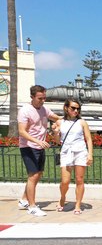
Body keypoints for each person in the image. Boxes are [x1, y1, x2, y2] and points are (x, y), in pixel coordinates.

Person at [17, 85, 62, 216]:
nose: (42, 101)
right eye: (40, 98)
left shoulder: (44, 109)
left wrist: (61, 122)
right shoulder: (25, 111)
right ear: (32, 97)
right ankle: (32, 207)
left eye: (44, 98)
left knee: (39, 174)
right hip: (28, 146)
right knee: (33, 175)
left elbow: (57, 118)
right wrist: (37, 141)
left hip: (40, 146)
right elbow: (21, 131)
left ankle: (23, 200)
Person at [53, 99, 93, 215]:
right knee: (65, 181)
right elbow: (57, 141)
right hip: (66, 152)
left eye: (78, 108)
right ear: (66, 108)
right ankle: (62, 197)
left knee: (79, 180)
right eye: (73, 108)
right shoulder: (60, 122)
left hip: (80, 151)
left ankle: (78, 204)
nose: (76, 110)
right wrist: (55, 132)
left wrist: (90, 154)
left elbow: (88, 139)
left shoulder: (82, 122)